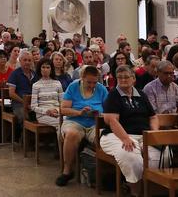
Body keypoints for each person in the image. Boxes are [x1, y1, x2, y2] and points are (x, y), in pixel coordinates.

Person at [100, 65, 162, 197]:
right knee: (131, 156)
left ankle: (150, 190)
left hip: (143, 134)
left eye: (126, 77)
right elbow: (111, 121)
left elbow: (153, 117)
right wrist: (125, 138)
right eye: (120, 77)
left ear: (133, 79)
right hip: (117, 135)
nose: (123, 80)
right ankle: (135, 192)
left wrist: (153, 134)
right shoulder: (113, 96)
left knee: (159, 155)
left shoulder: (141, 94)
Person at [56, 65, 108, 186]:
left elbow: (109, 110)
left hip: (95, 123)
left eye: (94, 82)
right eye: (89, 82)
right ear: (82, 78)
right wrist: (79, 112)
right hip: (75, 121)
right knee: (72, 134)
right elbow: (63, 109)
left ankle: (103, 173)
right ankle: (67, 170)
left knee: (105, 139)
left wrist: (99, 114)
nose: (92, 85)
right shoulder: (73, 87)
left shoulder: (101, 89)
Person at [7, 50, 37, 132]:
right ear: (20, 61)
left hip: (33, 103)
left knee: (42, 115)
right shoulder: (15, 74)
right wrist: (25, 102)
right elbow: (11, 94)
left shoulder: (35, 74)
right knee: (24, 117)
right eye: (25, 60)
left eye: (29, 60)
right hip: (19, 103)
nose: (27, 62)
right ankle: (24, 140)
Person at [31, 58, 63, 130]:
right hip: (43, 114)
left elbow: (62, 102)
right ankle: (62, 141)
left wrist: (57, 110)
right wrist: (47, 111)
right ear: (40, 69)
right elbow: (33, 107)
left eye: (48, 67)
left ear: (51, 69)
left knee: (69, 121)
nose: (45, 69)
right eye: (43, 67)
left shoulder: (57, 83)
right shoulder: (36, 85)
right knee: (60, 123)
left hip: (57, 112)